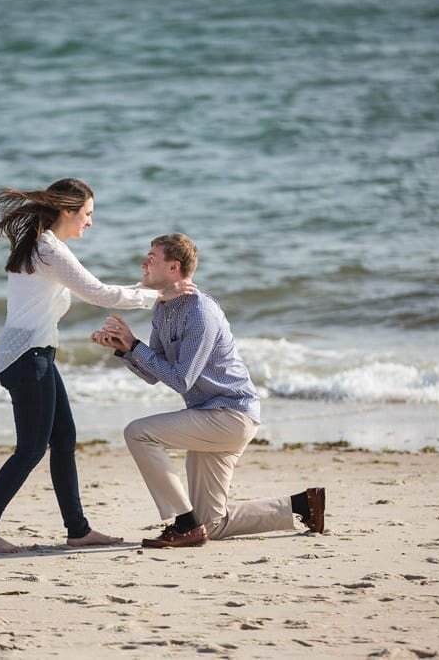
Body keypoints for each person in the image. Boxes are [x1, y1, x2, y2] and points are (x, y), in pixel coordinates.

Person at [0, 180, 194, 553]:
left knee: (63, 440)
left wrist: (148, 289)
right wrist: (158, 293)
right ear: (68, 211)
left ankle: (77, 529)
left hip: (32, 356)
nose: (90, 222)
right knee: (31, 448)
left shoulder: (43, 246)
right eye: (87, 214)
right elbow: (98, 294)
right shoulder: (47, 249)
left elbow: (96, 287)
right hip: (28, 357)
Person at [91, 233, 326, 548]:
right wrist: (125, 350)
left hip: (230, 415)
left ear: (174, 268)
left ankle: (184, 522)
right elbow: (154, 374)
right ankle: (302, 505)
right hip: (207, 415)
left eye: (152, 258)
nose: (143, 263)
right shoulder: (163, 310)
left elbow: (181, 380)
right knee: (213, 524)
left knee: (138, 433)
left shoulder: (201, 312)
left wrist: (135, 344)